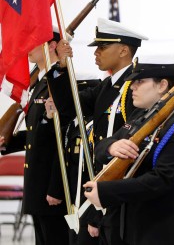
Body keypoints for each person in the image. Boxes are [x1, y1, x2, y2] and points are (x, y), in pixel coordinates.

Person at [48, 18, 147, 245]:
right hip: (101, 184)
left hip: (118, 189)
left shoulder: (135, 85)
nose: (96, 53)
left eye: (103, 47)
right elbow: (69, 106)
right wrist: (62, 67)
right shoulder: (109, 85)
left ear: (123, 50)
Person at [83, 55, 174, 245]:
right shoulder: (140, 117)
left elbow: (162, 180)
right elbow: (101, 146)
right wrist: (112, 147)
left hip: (166, 231)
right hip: (137, 227)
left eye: (140, 81)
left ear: (162, 85)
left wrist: (107, 192)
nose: (132, 87)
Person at [0, 28, 70, 245]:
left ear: (51, 46)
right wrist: (6, 145)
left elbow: (64, 138)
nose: (27, 48)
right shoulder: (40, 84)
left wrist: (55, 188)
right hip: (37, 185)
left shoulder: (62, 82)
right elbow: (36, 133)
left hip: (52, 186)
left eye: (34, 42)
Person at [45, 76, 101, 245]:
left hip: (88, 202)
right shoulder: (72, 124)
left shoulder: (91, 126)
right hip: (74, 203)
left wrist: (94, 213)